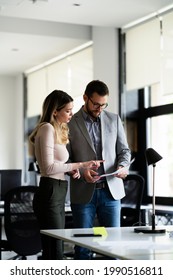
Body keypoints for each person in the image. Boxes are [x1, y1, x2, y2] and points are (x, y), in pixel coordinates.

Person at [29, 90, 103, 260]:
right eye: (68, 111)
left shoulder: (57, 130)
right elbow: (47, 168)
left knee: (56, 247)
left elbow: (56, 164)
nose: (71, 114)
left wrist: (69, 169)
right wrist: (81, 164)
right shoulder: (47, 128)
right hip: (50, 190)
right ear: (55, 111)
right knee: (54, 249)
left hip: (59, 190)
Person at [67, 80, 131, 259]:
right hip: (83, 192)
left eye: (103, 105)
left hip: (111, 192)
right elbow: (66, 159)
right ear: (85, 98)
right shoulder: (70, 123)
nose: (99, 108)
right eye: (96, 104)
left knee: (113, 246)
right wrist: (80, 172)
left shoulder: (114, 119)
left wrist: (122, 166)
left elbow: (124, 150)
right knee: (82, 247)